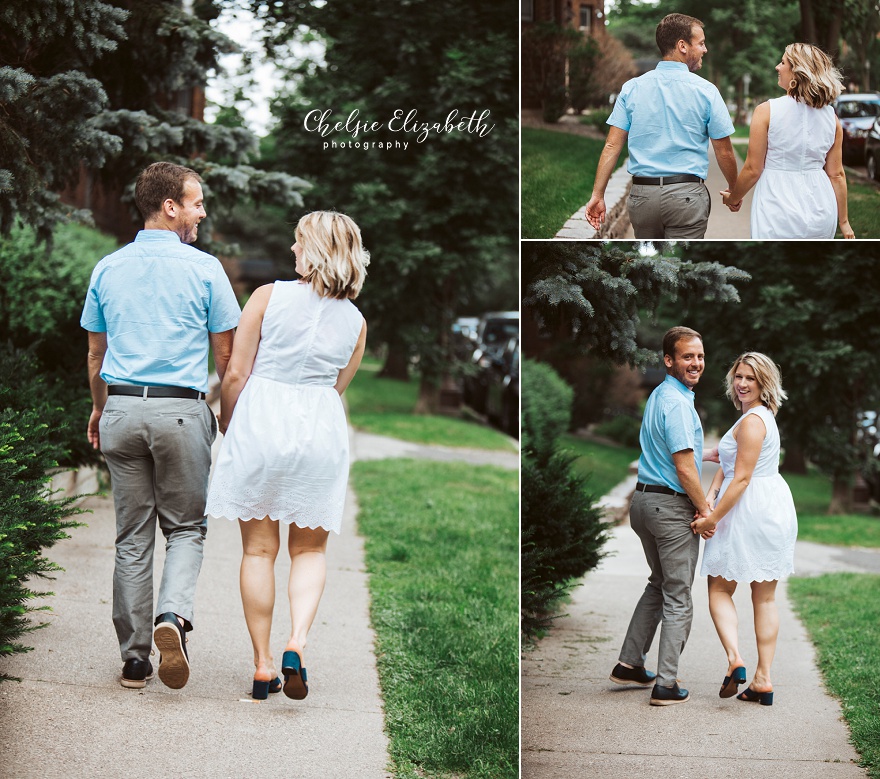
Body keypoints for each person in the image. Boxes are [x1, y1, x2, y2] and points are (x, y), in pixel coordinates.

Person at [81, 162, 241, 690]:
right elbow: (226, 353)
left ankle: (133, 659)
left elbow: (95, 352)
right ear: (169, 206)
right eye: (196, 203)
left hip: (122, 409)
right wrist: (227, 413)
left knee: (132, 537)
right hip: (180, 411)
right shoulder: (205, 268)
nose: (201, 212)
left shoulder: (107, 267)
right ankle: (172, 617)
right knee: (187, 528)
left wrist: (101, 409)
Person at [205, 211, 368, 701]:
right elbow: (337, 386)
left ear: (313, 249)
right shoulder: (356, 322)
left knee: (258, 550)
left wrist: (228, 421)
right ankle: (297, 641)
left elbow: (234, 374)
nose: (292, 250)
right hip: (319, 430)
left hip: (261, 421)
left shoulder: (267, 296)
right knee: (310, 551)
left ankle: (262, 664)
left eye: (298, 242)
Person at [609, 327, 719, 706]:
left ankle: (629, 664)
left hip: (643, 503)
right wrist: (706, 510)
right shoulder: (677, 402)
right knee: (677, 595)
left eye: (700, 356)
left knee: (658, 584)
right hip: (670, 510)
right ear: (669, 360)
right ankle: (666, 685)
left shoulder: (662, 395)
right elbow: (683, 467)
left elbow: (671, 450)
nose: (696, 363)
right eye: (688, 356)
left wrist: (705, 454)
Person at [692, 353, 797, 707]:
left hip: (748, 510)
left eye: (750, 378)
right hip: (770, 506)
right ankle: (762, 681)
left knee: (720, 589)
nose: (741, 383)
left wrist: (712, 518)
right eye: (738, 376)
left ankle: (736, 658)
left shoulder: (751, 421)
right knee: (764, 597)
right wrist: (697, 457)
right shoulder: (761, 416)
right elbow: (730, 460)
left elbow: (742, 478)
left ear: (764, 382)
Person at [585, 13, 738, 239]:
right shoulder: (707, 91)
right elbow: (723, 150)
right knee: (682, 267)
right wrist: (735, 190)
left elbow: (612, 145)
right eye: (701, 43)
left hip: (642, 199)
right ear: (682, 46)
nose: (705, 49)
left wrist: (597, 195)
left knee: (648, 264)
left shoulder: (632, 88)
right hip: (686, 198)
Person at [721, 44, 855, 239]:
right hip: (822, 207)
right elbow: (837, 175)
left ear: (797, 72)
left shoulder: (766, 111)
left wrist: (734, 198)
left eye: (783, 62)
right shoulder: (831, 118)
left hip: (776, 205)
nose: (777, 67)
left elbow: (752, 169)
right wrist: (844, 222)